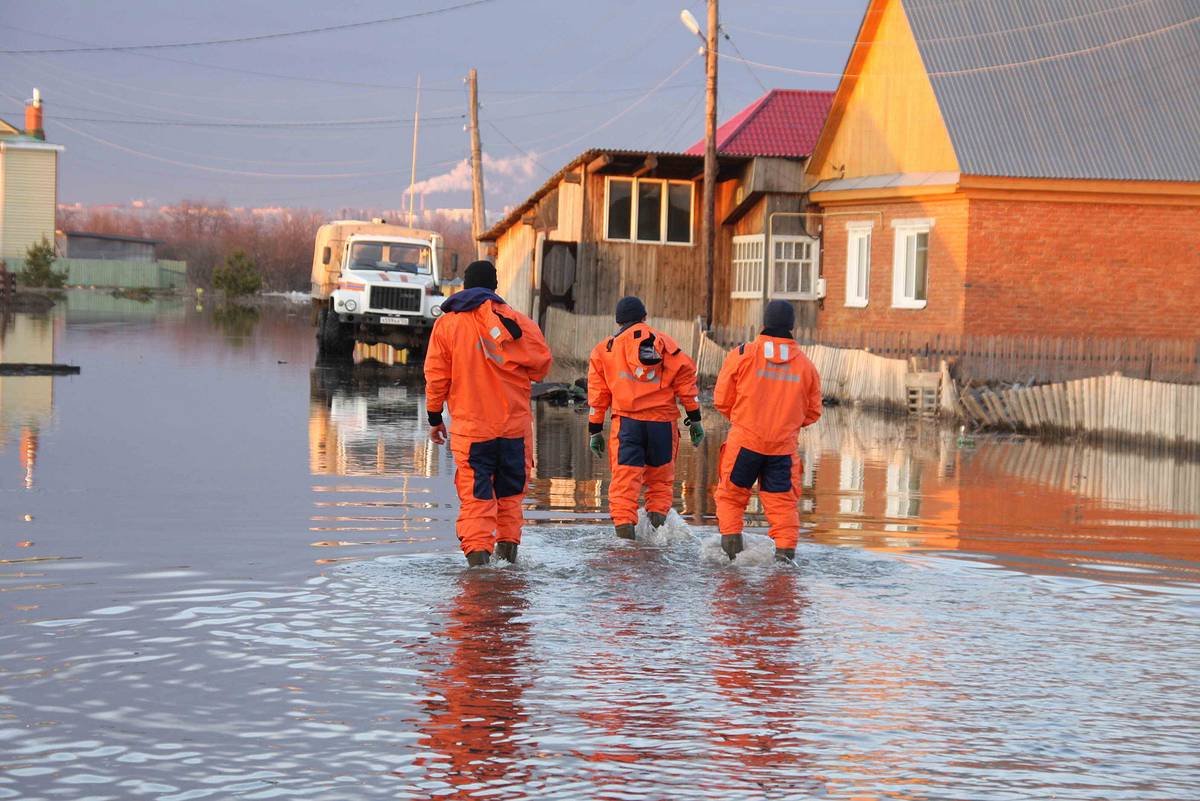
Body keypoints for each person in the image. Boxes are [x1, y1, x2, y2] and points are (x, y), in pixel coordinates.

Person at [424, 260, 553, 566]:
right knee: (509, 501)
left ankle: (480, 575)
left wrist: (434, 417)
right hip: (514, 431)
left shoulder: (447, 324)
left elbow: (436, 375)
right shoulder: (516, 321)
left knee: (477, 502)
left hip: (472, 432)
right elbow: (542, 364)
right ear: (495, 287)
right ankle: (508, 567)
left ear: (465, 286)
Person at [713, 300, 822, 563]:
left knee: (730, 499)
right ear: (793, 326)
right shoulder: (806, 366)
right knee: (783, 508)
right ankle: (784, 568)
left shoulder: (742, 355)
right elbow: (813, 412)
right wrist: (783, 425)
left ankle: (731, 566)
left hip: (745, 443)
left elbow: (722, 400)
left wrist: (745, 421)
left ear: (763, 323)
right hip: (782, 450)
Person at [587, 296, 703, 539]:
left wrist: (595, 430)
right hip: (662, 426)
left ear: (618, 321)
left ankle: (625, 548)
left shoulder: (605, 350)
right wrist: (695, 419)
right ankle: (655, 542)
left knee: (624, 488)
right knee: (660, 486)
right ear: (644, 318)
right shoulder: (665, 344)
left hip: (627, 425)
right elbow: (686, 379)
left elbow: (598, 395)